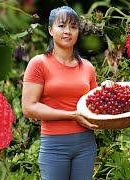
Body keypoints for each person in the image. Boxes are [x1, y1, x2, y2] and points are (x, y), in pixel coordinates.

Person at [21, 6, 99, 180]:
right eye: (62, 26)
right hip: (55, 146)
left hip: (86, 145)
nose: (68, 31)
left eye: (73, 27)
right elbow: (28, 108)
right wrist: (71, 115)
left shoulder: (87, 67)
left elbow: (95, 106)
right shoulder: (38, 64)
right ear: (50, 30)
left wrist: (108, 89)